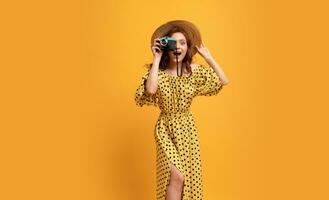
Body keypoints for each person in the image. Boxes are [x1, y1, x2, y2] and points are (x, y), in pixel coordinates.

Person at [134, 20, 229, 200]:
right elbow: (151, 90)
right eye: (173, 42)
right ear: (166, 47)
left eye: (183, 43)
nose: (178, 47)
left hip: (186, 129)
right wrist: (156, 58)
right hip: (165, 128)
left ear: (188, 48)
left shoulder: (193, 71)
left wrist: (209, 58)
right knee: (176, 176)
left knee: (184, 181)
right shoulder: (158, 72)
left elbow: (223, 81)